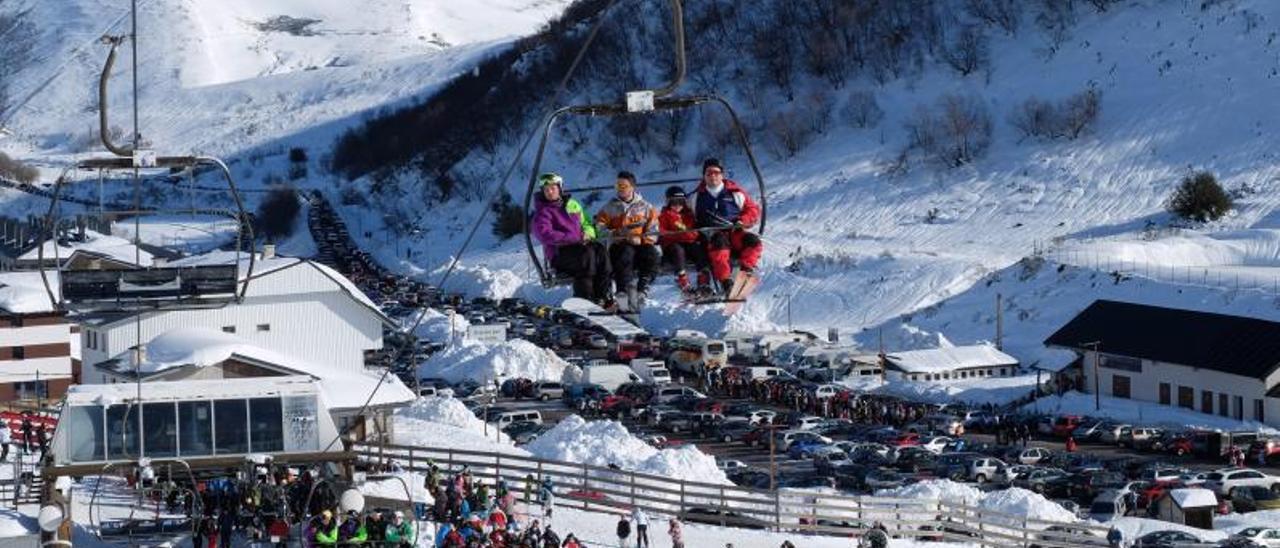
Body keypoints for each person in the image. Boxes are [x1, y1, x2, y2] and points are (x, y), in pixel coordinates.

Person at [530, 172, 610, 304]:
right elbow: (544, 234)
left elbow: (587, 223)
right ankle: (585, 299)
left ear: (560, 188)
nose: (550, 192)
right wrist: (574, 237)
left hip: (581, 247)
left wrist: (588, 233)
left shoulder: (572, 205)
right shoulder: (543, 212)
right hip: (560, 253)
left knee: (601, 252)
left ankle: (603, 297)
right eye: (546, 189)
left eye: (553, 188)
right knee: (586, 257)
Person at [687, 158, 762, 295]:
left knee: (753, 242)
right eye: (709, 173)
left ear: (722, 175)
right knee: (719, 246)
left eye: (716, 172)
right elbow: (687, 218)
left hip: (734, 231)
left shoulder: (735, 193)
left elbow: (752, 209)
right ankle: (726, 282)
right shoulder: (695, 197)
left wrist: (742, 220)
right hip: (712, 235)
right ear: (704, 176)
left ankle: (745, 272)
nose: (713, 176)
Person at [595, 171, 660, 309]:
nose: (620, 189)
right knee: (625, 252)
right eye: (618, 186)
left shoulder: (646, 207)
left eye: (624, 185)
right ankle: (622, 292)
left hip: (640, 244)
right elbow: (599, 230)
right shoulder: (609, 208)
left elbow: (654, 229)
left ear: (632, 187)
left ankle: (643, 288)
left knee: (652, 253)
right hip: (620, 245)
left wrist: (642, 239)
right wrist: (617, 233)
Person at [658, 186, 707, 295]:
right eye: (673, 202)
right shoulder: (665, 215)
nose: (677, 205)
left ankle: (703, 281)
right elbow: (662, 232)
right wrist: (679, 235)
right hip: (672, 246)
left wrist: (688, 234)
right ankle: (683, 280)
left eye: (680, 202)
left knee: (698, 250)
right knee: (677, 251)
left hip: (688, 243)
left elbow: (694, 231)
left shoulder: (689, 215)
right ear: (668, 203)